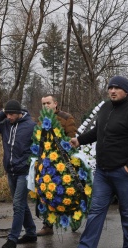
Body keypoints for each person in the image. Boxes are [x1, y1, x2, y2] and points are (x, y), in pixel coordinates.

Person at [63, 76, 128, 248]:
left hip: (124, 172)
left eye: (117, 88)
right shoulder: (105, 108)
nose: (112, 91)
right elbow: (97, 131)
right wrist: (79, 140)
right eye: (110, 87)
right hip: (103, 172)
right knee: (95, 211)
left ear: (126, 91)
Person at [0, 99, 37, 248]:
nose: (9, 117)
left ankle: (12, 239)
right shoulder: (5, 125)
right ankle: (31, 232)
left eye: (12, 114)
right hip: (11, 171)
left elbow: (37, 148)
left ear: (20, 113)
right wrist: (1, 112)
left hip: (24, 172)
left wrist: (31, 165)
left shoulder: (31, 126)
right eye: (7, 114)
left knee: (18, 204)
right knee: (20, 203)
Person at [36, 94, 77, 236]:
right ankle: (47, 225)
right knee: (46, 191)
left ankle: (74, 217)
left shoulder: (66, 118)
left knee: (66, 191)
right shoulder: (41, 120)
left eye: (48, 103)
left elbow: (72, 138)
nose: (46, 106)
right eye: (43, 104)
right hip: (45, 161)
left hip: (62, 161)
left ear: (55, 104)